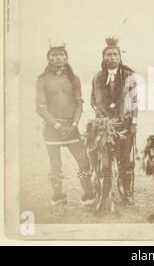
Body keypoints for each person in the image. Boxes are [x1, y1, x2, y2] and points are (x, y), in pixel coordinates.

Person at [36, 41, 95, 210]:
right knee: (55, 165)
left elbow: (79, 104)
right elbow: (40, 108)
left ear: (66, 58)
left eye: (61, 54)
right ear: (48, 58)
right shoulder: (42, 80)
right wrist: (57, 126)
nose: (58, 58)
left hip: (71, 127)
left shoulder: (73, 79)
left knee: (83, 160)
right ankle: (58, 197)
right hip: (52, 129)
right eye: (54, 55)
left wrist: (74, 124)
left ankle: (89, 196)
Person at [90, 37, 138, 212]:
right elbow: (93, 100)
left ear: (120, 57)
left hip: (124, 124)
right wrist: (100, 115)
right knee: (105, 161)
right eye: (108, 54)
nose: (112, 57)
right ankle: (105, 192)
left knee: (125, 160)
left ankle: (126, 192)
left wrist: (133, 123)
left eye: (115, 54)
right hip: (104, 126)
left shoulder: (129, 76)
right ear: (103, 58)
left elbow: (135, 102)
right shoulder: (98, 77)